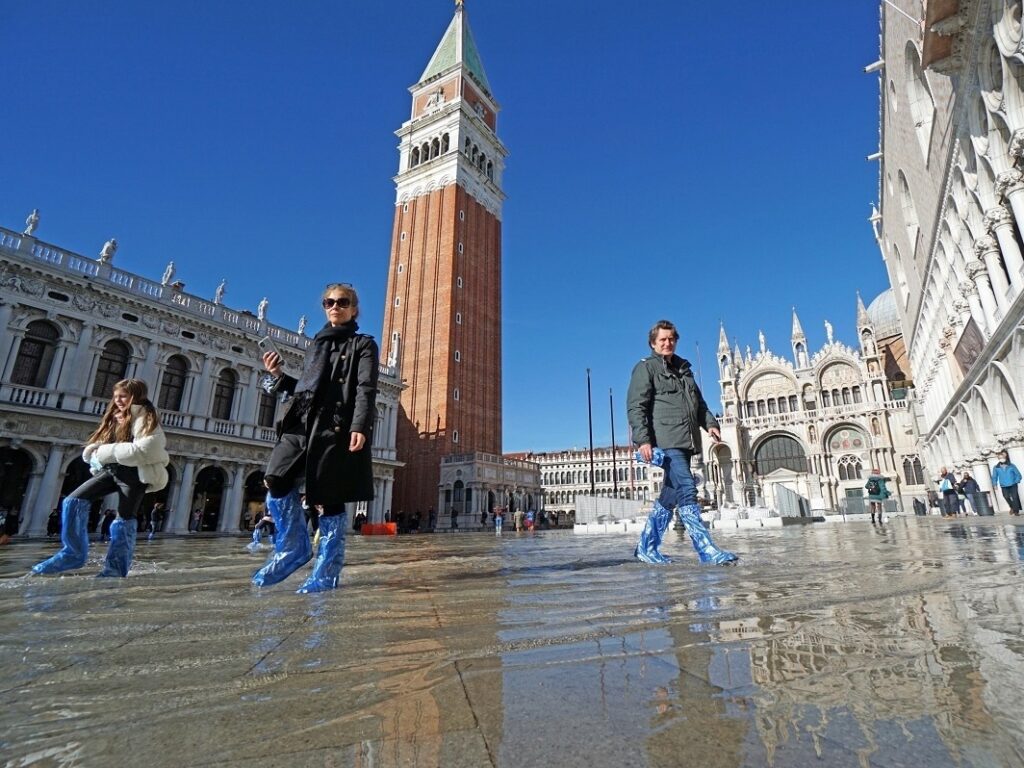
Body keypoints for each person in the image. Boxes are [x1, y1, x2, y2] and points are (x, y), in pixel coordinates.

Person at [254, 282, 378, 593]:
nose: (335, 306)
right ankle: (295, 547)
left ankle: (326, 573)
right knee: (276, 478)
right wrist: (279, 377)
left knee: (330, 498)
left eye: (342, 302)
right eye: (329, 302)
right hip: (301, 422)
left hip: (332, 427)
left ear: (354, 308)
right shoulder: (317, 343)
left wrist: (359, 426)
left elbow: (365, 389)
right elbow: (306, 388)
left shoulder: (363, 345)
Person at [32, 379, 169, 577]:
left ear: (136, 397)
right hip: (112, 471)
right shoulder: (115, 416)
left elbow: (147, 449)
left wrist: (104, 451)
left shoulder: (146, 417)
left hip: (135, 475)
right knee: (73, 500)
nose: (118, 400)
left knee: (124, 521)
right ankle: (73, 553)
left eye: (123, 396)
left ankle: (115, 570)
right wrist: (97, 453)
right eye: (116, 396)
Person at [627, 320, 737, 565]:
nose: (668, 343)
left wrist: (710, 424)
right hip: (666, 440)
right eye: (662, 339)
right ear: (653, 343)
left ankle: (646, 547)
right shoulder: (646, 368)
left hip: (686, 440)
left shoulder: (684, 370)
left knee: (670, 496)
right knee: (687, 487)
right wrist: (643, 440)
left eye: (671, 339)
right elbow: (636, 406)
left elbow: (699, 403)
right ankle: (705, 549)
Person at [992, 450, 1023, 516]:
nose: (1001, 459)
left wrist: (1016, 481)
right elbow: (994, 477)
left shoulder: (1011, 465)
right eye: (1000, 458)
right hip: (1004, 485)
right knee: (1006, 497)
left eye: (1002, 457)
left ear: (1005, 457)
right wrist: (995, 484)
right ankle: (1012, 507)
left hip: (1013, 484)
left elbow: (1018, 475)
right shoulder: (996, 467)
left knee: (1015, 497)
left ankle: (1016, 512)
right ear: (998, 459)